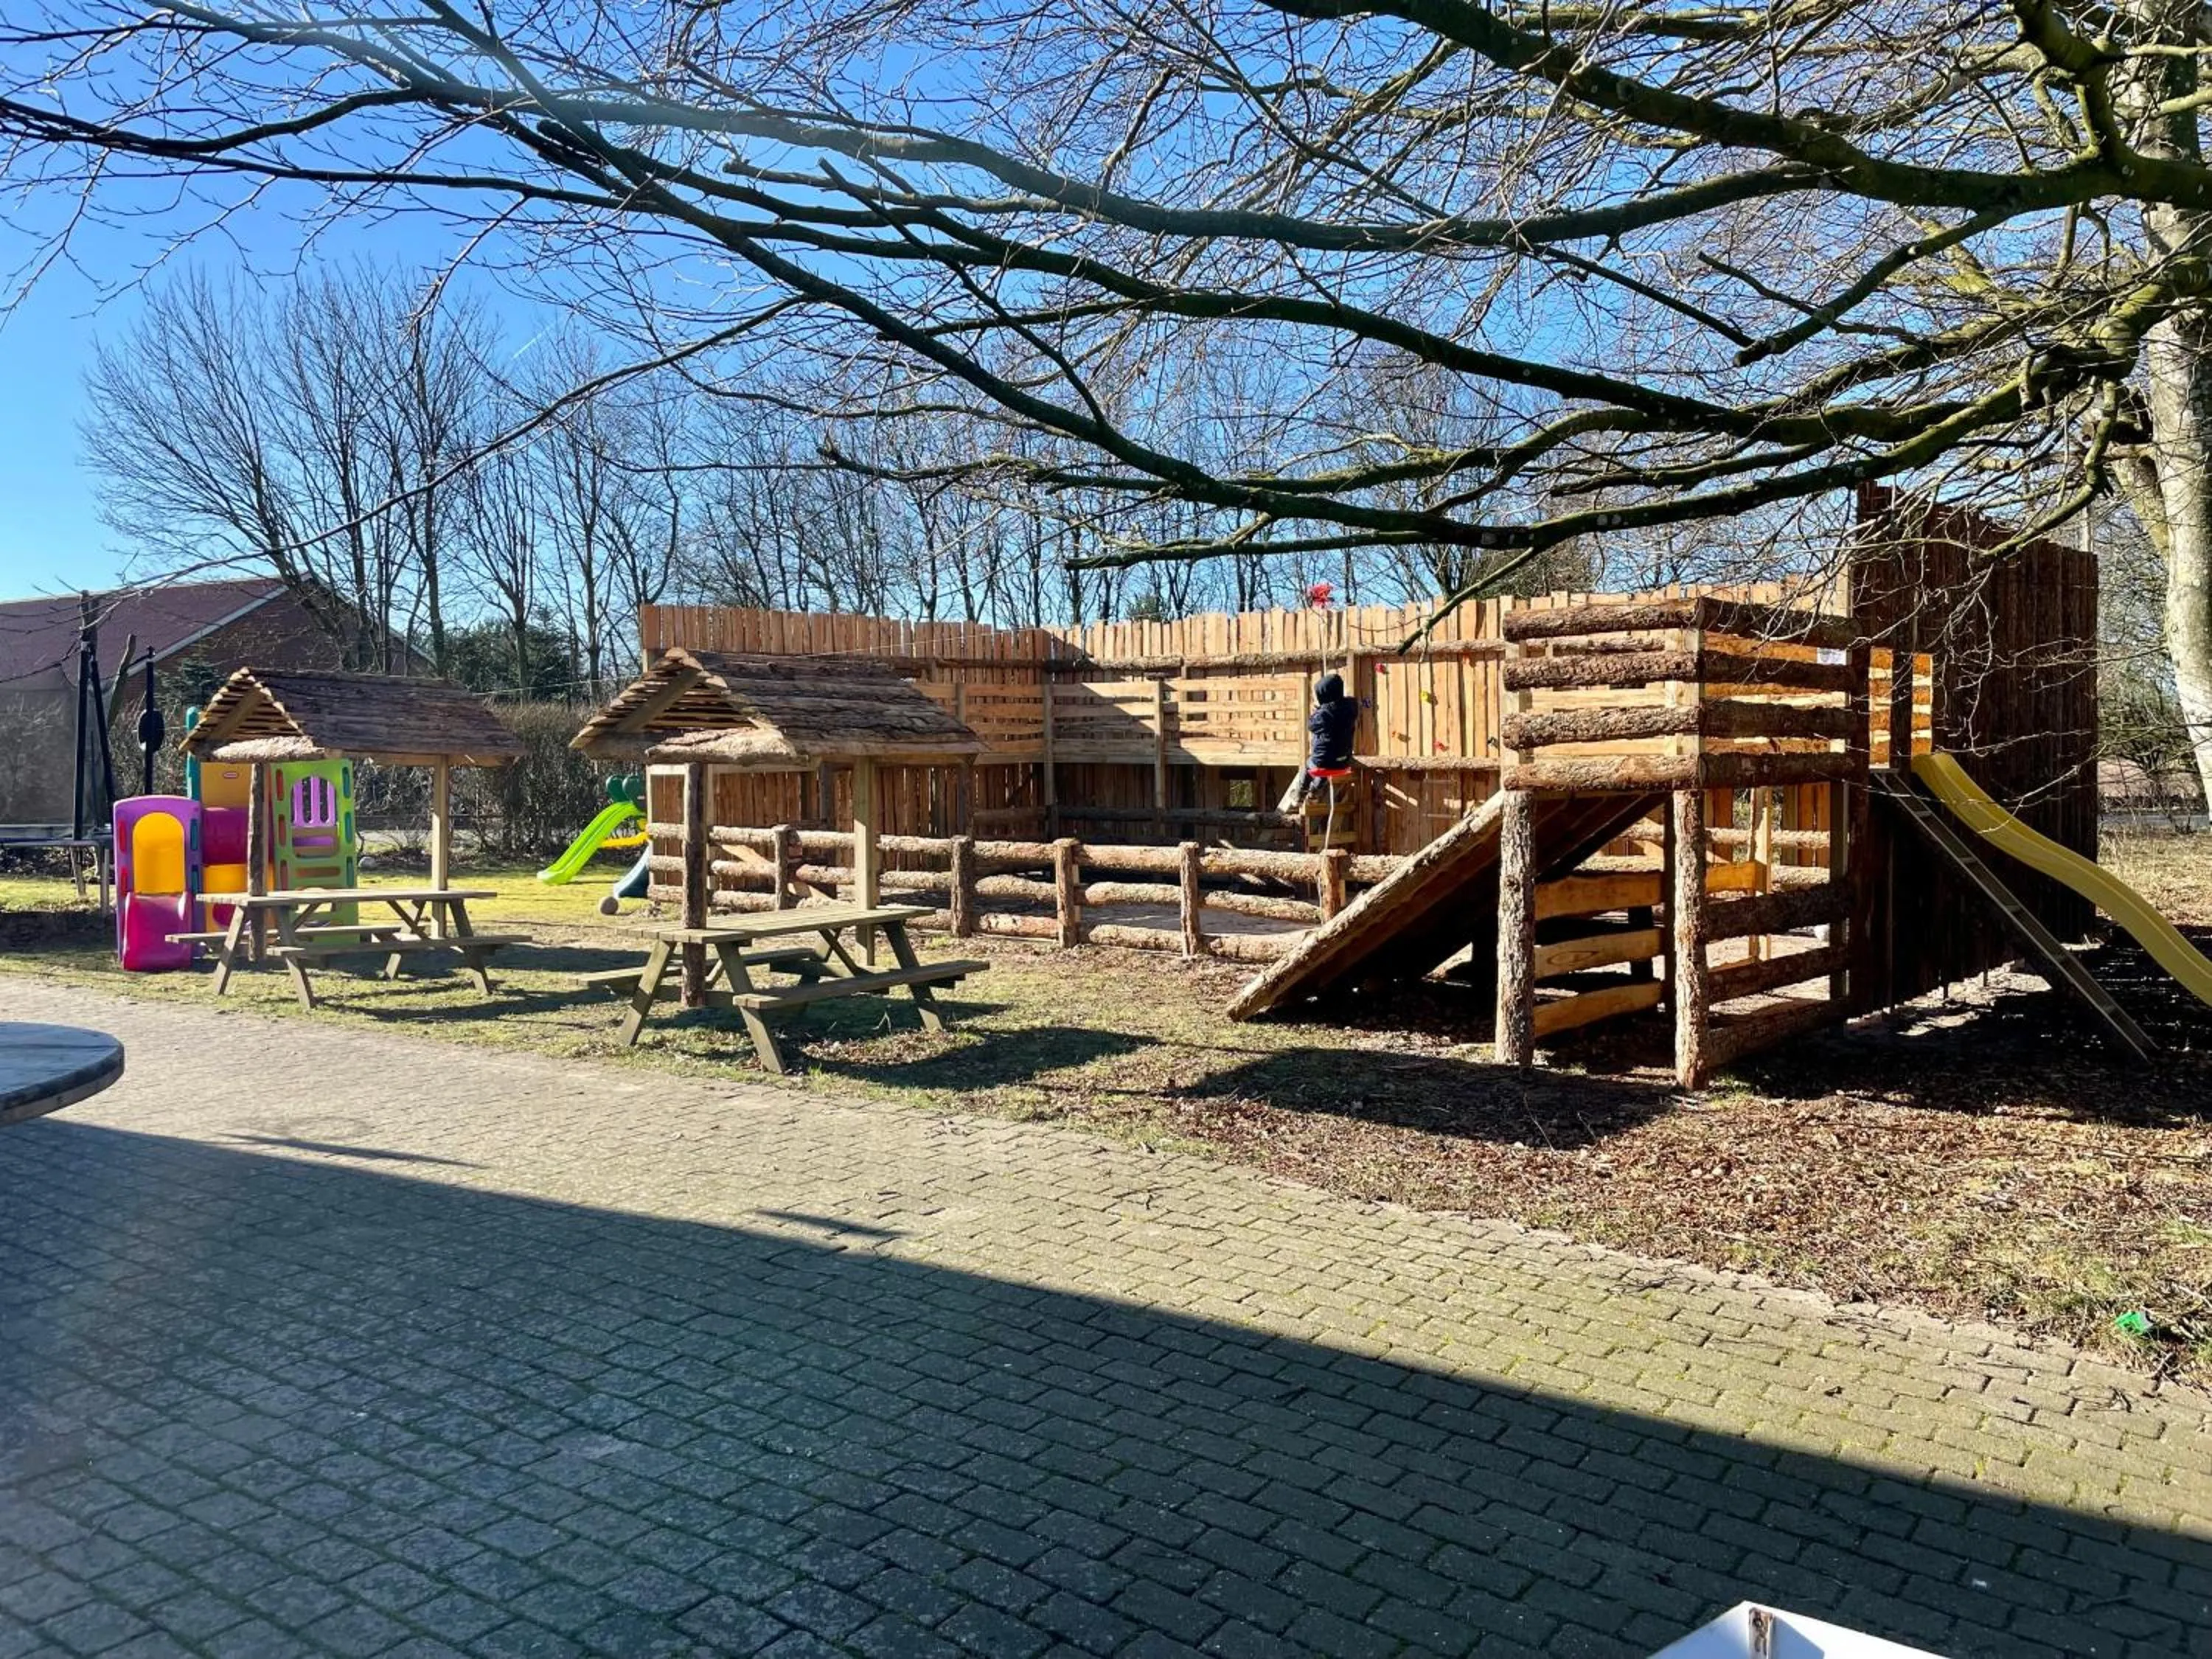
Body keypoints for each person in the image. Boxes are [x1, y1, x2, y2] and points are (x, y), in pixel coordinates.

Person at [1296, 671, 1359, 805]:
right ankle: (1314, 792)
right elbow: (1342, 706)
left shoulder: (1324, 714)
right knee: (1326, 764)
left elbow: (1311, 725)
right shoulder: (1351, 706)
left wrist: (1318, 710)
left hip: (1324, 763)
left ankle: (1301, 794)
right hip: (1344, 762)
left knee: (1310, 766)